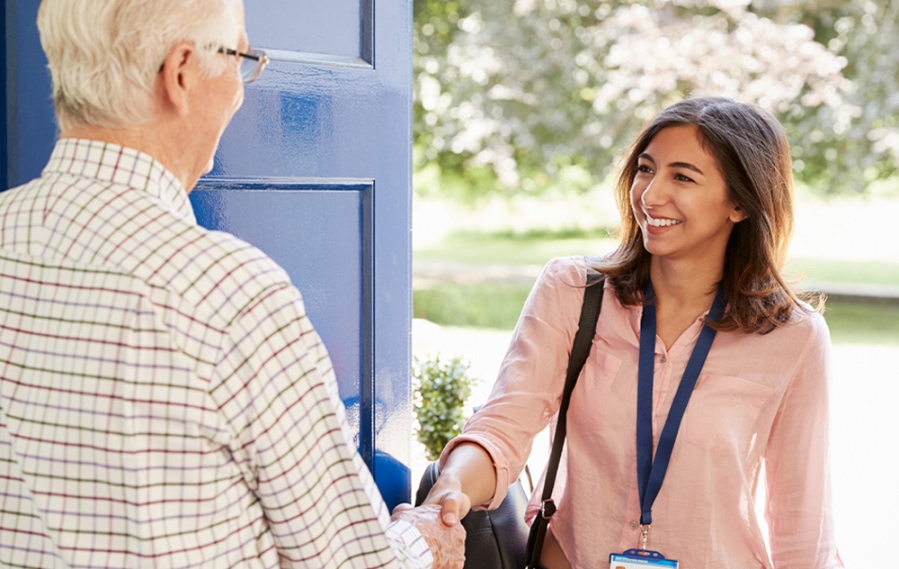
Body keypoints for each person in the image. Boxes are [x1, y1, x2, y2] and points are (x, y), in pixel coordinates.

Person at [0, 1, 464, 567]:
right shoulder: (231, 295)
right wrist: (425, 544)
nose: (243, 89)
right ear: (182, 73)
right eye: (241, 58)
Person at [422, 97, 843, 568]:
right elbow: (503, 427)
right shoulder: (573, 292)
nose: (650, 194)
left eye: (682, 177)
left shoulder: (794, 338)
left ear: (741, 203)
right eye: (646, 169)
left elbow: (802, 527)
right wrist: (452, 485)